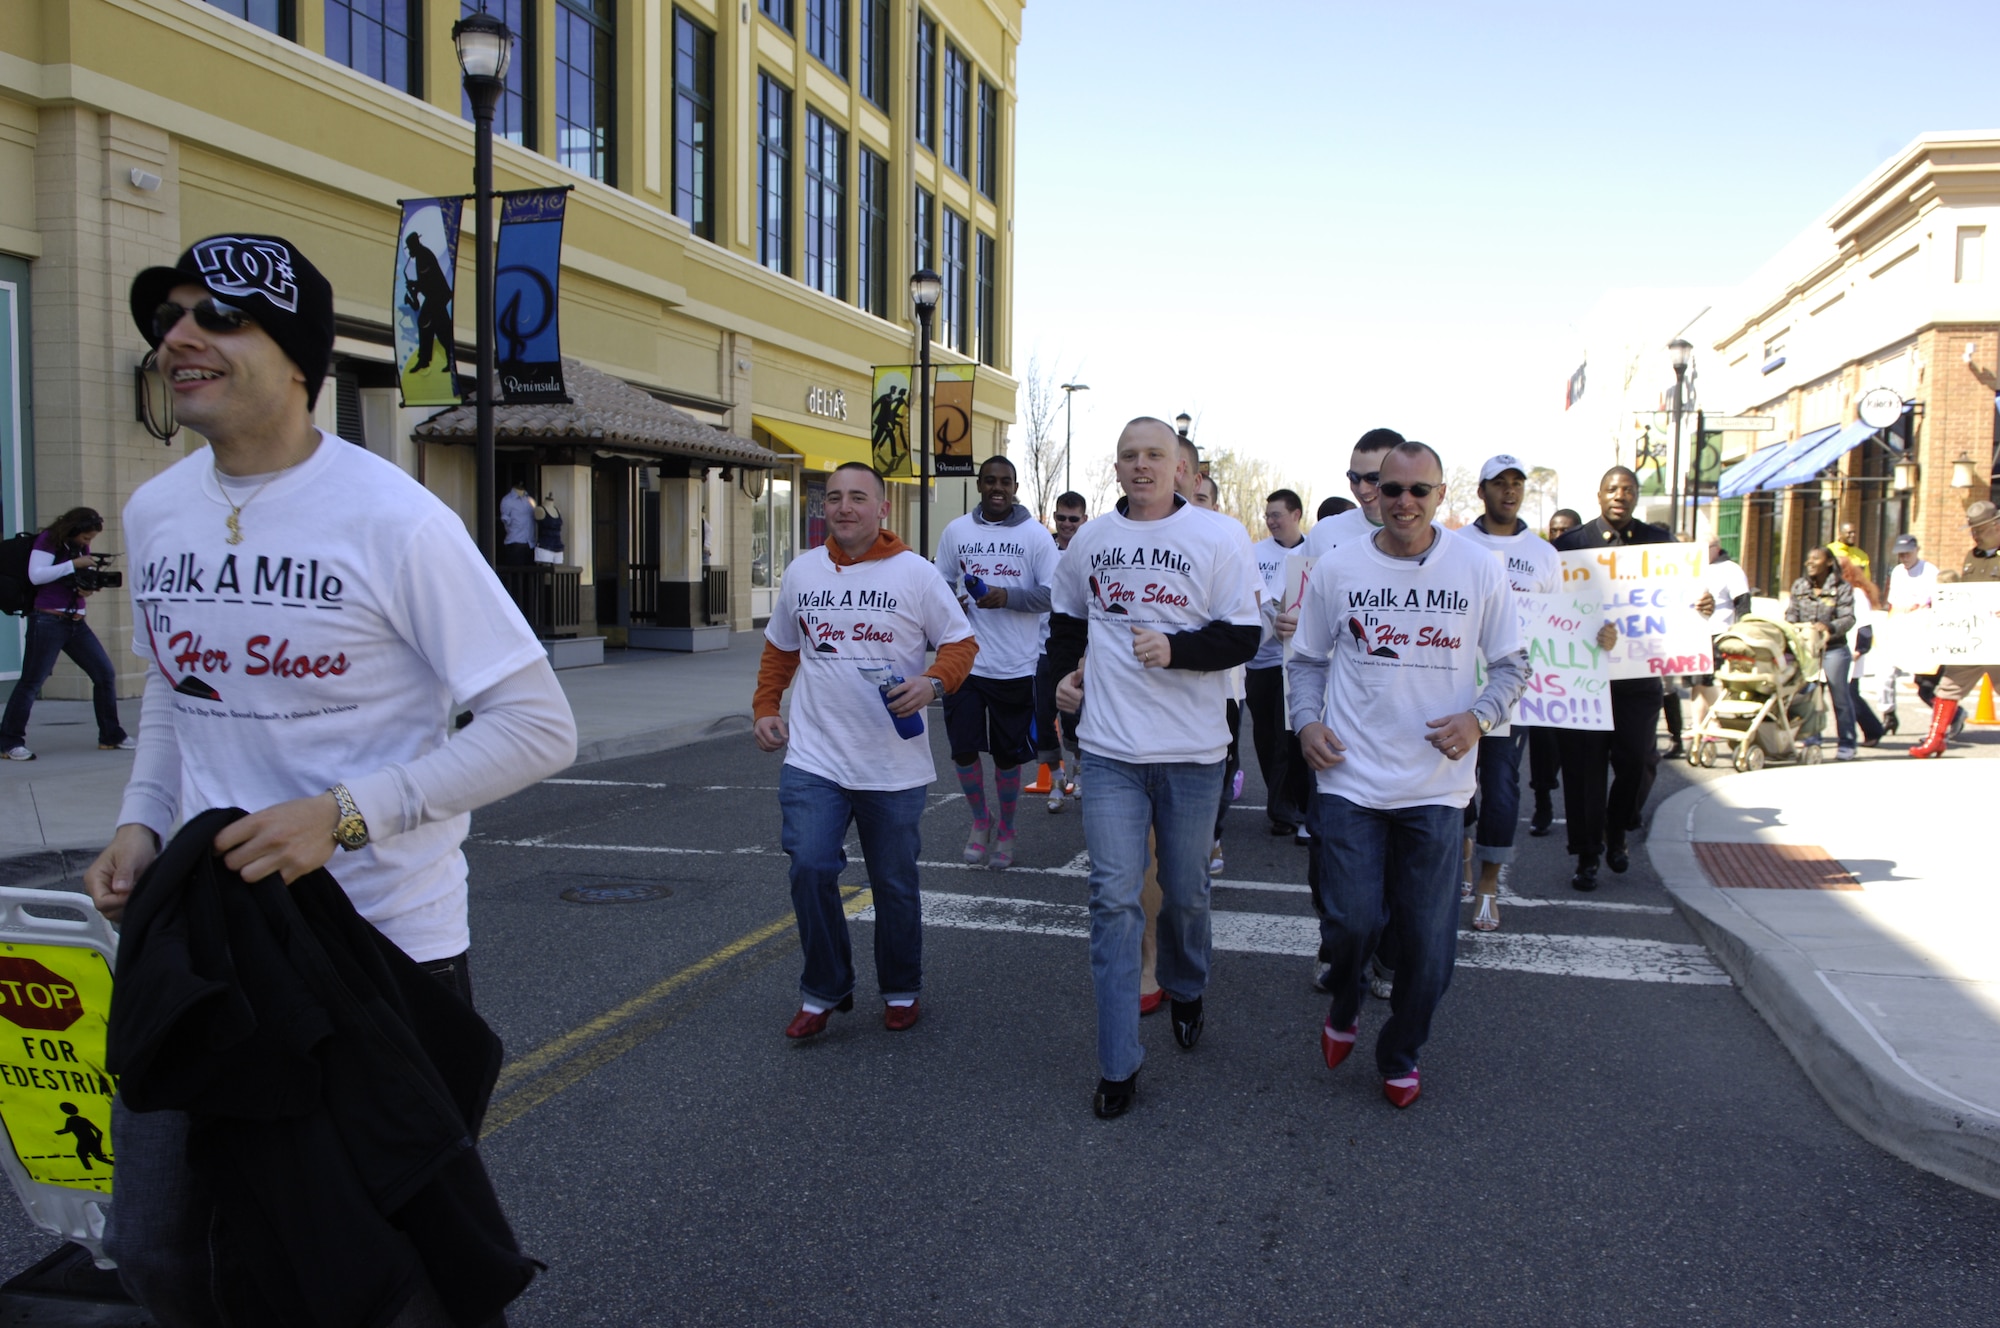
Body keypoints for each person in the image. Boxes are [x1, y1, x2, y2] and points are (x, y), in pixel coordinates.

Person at [88, 232, 579, 1325]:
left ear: (297, 354)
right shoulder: (156, 510)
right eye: (168, 316)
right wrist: (139, 821)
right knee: (163, 1250)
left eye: (218, 316)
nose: (179, 337)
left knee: (371, 1272)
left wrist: (345, 815)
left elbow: (538, 725)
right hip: (209, 940)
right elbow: (179, 686)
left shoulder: (395, 518)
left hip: (378, 947)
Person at [1288, 441, 1527, 1109]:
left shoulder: (1478, 569)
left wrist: (1478, 720)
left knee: (1429, 951)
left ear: (1441, 496)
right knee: (1352, 921)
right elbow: (1305, 661)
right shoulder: (1337, 568)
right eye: (1390, 489)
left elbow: (1512, 665)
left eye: (1419, 491)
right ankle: (1344, 1000)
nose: (1404, 502)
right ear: (1371, 492)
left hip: (1435, 788)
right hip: (1349, 777)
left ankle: (1401, 1050)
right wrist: (1307, 724)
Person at [1046, 418, 1262, 1119]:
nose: (1142, 467)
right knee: (1112, 897)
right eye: (1130, 457)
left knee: (1186, 891)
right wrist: (1060, 687)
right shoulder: (1093, 542)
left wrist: (1177, 650)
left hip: (1194, 755)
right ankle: (1117, 1064)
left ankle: (1187, 981)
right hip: (1110, 752)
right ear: (1117, 469)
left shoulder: (1218, 537)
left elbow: (1243, 636)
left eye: (1156, 457)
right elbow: (1066, 626)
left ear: (1182, 470)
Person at [754, 462, 977, 1035]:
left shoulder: (916, 574)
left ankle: (901, 986)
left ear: (883, 508)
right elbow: (780, 650)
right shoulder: (803, 573)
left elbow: (961, 642)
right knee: (809, 865)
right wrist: (765, 708)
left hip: (891, 765)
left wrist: (932, 682)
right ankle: (823, 988)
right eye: (834, 498)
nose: (844, 507)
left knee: (893, 881)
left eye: (858, 498)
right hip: (814, 757)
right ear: (823, 507)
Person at [1451, 455, 1604, 933]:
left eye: (1517, 483)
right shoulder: (1456, 545)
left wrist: (1596, 638)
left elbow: (1561, 624)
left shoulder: (1543, 554)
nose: (1510, 491)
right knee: (1457, 792)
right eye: (1500, 483)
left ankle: (1489, 885)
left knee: (1501, 790)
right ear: (1482, 491)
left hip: (1512, 700)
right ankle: (1461, 850)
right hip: (1455, 693)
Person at [1552, 468, 1712, 891]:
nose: (1619, 495)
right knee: (1583, 770)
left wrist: (1702, 606)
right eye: (1612, 489)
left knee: (1637, 761)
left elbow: (1686, 602)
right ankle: (1586, 855)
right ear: (1599, 495)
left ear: (1637, 496)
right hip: (1582, 681)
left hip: (1638, 681)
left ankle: (1617, 830)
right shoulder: (1570, 547)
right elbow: (1548, 615)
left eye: (1628, 489)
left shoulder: (1662, 545)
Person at [933, 455, 1058, 869]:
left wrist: (1006, 596)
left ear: (1015, 485)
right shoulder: (957, 531)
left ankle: (1006, 828)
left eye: (1005, 481)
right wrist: (955, 604)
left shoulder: (1035, 536)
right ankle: (979, 821)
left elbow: (1054, 595)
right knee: (963, 750)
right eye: (990, 481)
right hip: (964, 662)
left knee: (1007, 756)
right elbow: (938, 584)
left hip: (1014, 666)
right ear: (980, 485)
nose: (997, 488)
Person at [0, 507, 132, 760]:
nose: (87, 543)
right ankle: (9, 742)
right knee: (32, 682)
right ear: (73, 530)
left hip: (75, 621)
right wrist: (73, 564)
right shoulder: (48, 540)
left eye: (91, 539)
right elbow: (36, 575)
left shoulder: (79, 549)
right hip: (48, 619)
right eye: (85, 538)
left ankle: (111, 735)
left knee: (104, 674)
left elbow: (77, 575)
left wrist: (87, 587)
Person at [1911, 500, 2000, 758]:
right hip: (1971, 639)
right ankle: (1936, 739)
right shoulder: (1971, 557)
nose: (1975, 534)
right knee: (1948, 686)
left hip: (1997, 640)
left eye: (1980, 529)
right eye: (1973, 529)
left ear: (1996, 526)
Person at [1247, 489, 1311, 839]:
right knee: (1266, 736)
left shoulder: (1313, 551)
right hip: (1259, 660)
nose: (1271, 520)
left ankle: (1287, 810)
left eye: (1277, 514)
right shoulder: (1255, 552)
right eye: (1267, 515)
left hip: (1294, 659)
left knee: (1289, 736)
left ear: (1296, 514)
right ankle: (1281, 799)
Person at [1034, 491, 1088, 812]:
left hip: (1075, 647)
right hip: (1040, 648)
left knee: (1073, 714)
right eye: (1062, 518)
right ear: (1054, 518)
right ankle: (1055, 776)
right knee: (1043, 716)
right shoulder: (1044, 550)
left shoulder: (1088, 551)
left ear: (1084, 519)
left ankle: (1079, 769)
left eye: (1074, 519)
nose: (1067, 524)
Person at [1786, 546, 1858, 760]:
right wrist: (1792, 627)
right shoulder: (1800, 585)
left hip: (1833, 649)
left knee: (1840, 698)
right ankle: (1812, 740)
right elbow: (1791, 612)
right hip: (1806, 650)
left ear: (1828, 563)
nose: (1810, 562)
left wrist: (1829, 627)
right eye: (1808, 558)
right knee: (1808, 696)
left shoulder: (1842, 587)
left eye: (1815, 558)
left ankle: (1847, 742)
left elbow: (1848, 618)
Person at [1301, 428, 1405, 558]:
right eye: (1354, 477)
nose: (1362, 489)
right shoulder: (1324, 532)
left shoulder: (1433, 540)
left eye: (1373, 478)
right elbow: (1297, 578)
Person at [1689, 537, 1753, 738]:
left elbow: (1742, 602)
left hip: (1718, 631)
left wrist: (1741, 631)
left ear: (1716, 549)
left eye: (1704, 548)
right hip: (1693, 631)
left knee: (1706, 678)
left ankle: (1716, 720)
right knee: (1695, 680)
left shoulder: (1730, 569)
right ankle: (1698, 724)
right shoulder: (1691, 567)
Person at [1883, 533, 1939, 722]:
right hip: (1901, 626)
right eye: (1901, 554)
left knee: (1923, 684)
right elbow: (1893, 601)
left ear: (1917, 550)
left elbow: (1935, 599)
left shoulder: (1930, 571)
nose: (1904, 558)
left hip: (1923, 629)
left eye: (1907, 553)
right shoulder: (1898, 572)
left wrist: (1921, 605)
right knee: (1887, 672)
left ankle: (1952, 715)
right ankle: (1888, 713)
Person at [499, 481, 535, 566]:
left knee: (529, 574)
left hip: (530, 543)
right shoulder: (507, 500)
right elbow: (506, 522)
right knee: (516, 574)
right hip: (515, 542)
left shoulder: (529, 500)